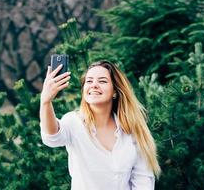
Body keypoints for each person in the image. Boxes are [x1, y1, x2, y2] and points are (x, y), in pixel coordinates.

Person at [40, 60, 161, 190]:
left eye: (102, 81)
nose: (94, 85)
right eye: (89, 81)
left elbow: (143, 180)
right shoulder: (73, 122)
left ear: (115, 91)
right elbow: (51, 138)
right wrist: (46, 102)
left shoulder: (132, 130)